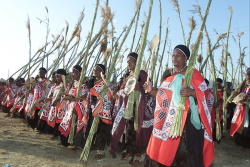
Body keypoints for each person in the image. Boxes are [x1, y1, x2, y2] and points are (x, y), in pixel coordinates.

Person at [144, 45, 214, 167]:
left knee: (185, 154)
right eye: (173, 55)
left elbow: (206, 94)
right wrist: (151, 90)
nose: (175, 58)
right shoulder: (169, 76)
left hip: (187, 123)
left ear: (186, 58)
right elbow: (163, 96)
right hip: (168, 122)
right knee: (168, 153)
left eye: (178, 55)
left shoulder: (193, 74)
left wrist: (192, 93)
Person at [110, 52, 155, 166]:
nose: (128, 63)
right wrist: (118, 94)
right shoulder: (126, 75)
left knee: (138, 130)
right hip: (127, 107)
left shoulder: (142, 74)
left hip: (139, 107)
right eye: (127, 61)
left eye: (131, 61)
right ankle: (129, 150)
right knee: (128, 129)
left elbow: (147, 88)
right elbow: (122, 89)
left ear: (137, 62)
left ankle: (138, 155)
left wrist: (137, 87)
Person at [85, 64, 114, 159]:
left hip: (102, 111)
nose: (95, 71)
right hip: (93, 109)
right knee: (93, 129)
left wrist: (99, 98)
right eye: (94, 69)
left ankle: (101, 151)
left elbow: (109, 95)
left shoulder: (106, 83)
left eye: (97, 70)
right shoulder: (93, 82)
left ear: (103, 72)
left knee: (102, 131)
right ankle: (92, 146)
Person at [58, 66, 88, 148]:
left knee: (75, 125)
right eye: (72, 72)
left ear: (79, 74)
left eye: (74, 72)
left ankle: (77, 144)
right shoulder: (71, 84)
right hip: (69, 109)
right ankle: (66, 141)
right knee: (66, 124)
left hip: (77, 109)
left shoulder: (83, 85)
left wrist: (74, 99)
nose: (72, 74)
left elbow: (84, 97)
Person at [230, 68, 250, 148]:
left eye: (249, 76)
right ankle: (240, 140)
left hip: (247, 109)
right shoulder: (245, 87)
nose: (247, 77)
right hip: (242, 109)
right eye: (247, 75)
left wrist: (247, 99)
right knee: (240, 124)